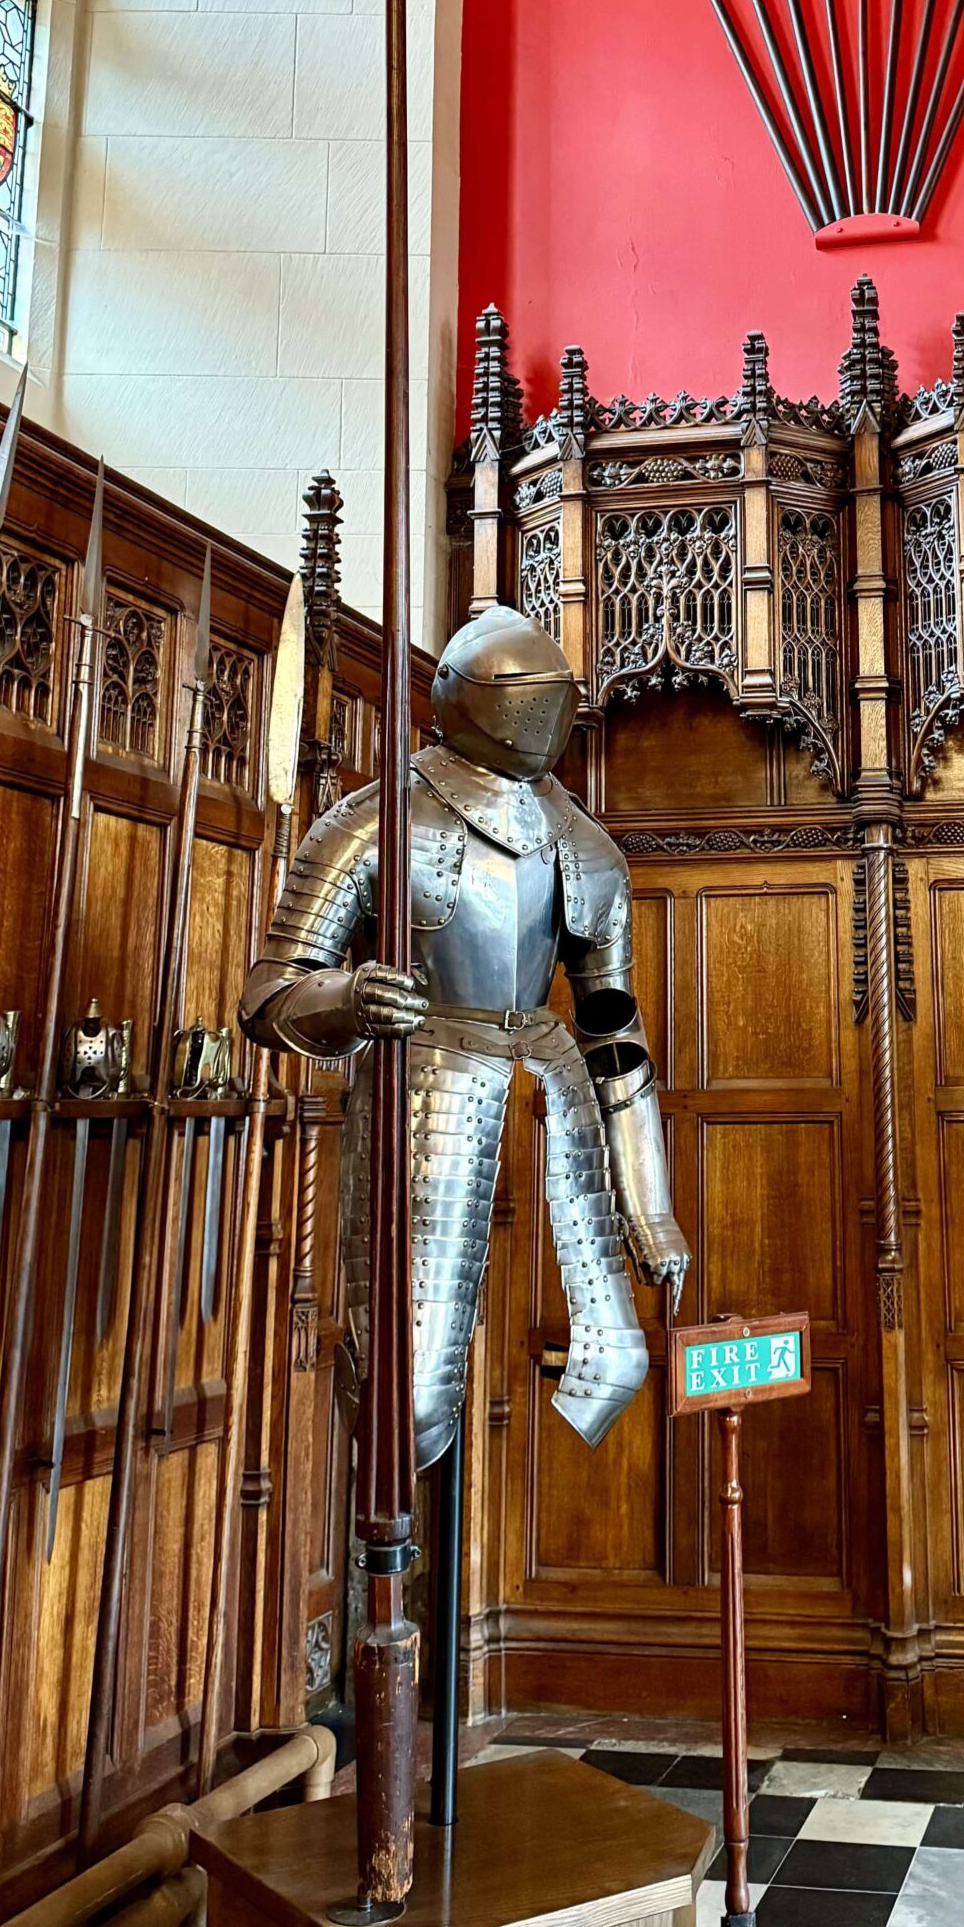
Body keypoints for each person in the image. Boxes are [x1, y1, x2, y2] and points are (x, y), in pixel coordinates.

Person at [240, 605, 691, 1457]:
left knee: (619, 1361)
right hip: (426, 1076)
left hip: (551, 1087)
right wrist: (351, 996)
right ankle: (390, 1543)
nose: (537, 718)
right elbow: (269, 995)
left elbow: (614, 1038)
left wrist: (649, 1209)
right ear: (465, 699)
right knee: (405, 1397)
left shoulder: (586, 848)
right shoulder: (374, 825)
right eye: (521, 699)